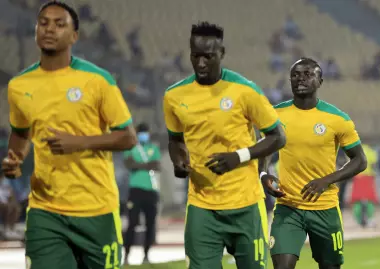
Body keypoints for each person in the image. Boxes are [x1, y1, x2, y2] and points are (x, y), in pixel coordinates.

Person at [1, 2, 136, 268]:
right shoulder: (19, 86)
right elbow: (20, 133)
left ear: (75, 36)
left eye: (59, 24)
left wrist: (79, 142)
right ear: (36, 30)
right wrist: (14, 160)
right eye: (43, 22)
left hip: (96, 209)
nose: (50, 29)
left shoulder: (97, 80)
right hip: (45, 210)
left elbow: (127, 137)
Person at [163, 22, 286, 269]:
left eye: (208, 57)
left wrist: (237, 157)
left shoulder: (245, 91)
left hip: (245, 204)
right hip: (202, 206)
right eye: (195, 56)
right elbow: (175, 140)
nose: (200, 64)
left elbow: (277, 137)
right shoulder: (174, 96)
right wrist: (179, 161)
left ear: (222, 54)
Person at [260, 58, 367, 269]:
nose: (301, 79)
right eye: (295, 75)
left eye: (308, 74)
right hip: (288, 206)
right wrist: (263, 175)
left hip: (324, 208)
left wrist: (326, 181)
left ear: (320, 81)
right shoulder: (275, 115)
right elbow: (264, 148)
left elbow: (360, 160)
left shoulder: (337, 119)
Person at [123, 123, 162, 265]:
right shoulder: (132, 148)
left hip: (151, 190)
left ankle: (146, 255)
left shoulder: (153, 148)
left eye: (146, 132)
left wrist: (139, 165)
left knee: (150, 224)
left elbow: (157, 166)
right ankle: (126, 255)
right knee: (132, 223)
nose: (144, 134)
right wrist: (147, 165)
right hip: (136, 190)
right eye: (142, 132)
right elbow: (129, 164)